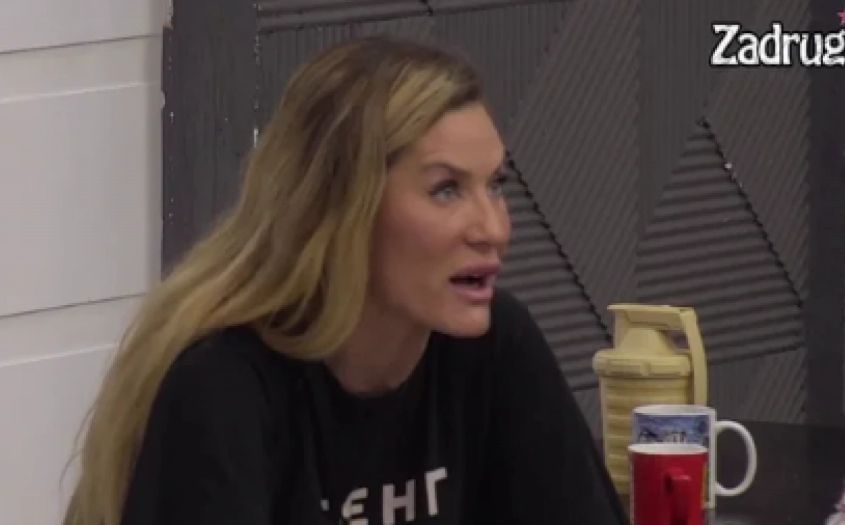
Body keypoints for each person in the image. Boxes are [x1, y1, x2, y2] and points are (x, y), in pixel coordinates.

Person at [62, 35, 628, 525]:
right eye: (446, 190)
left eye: (495, 185)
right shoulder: (223, 386)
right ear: (343, 206)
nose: (494, 229)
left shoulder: (495, 347)